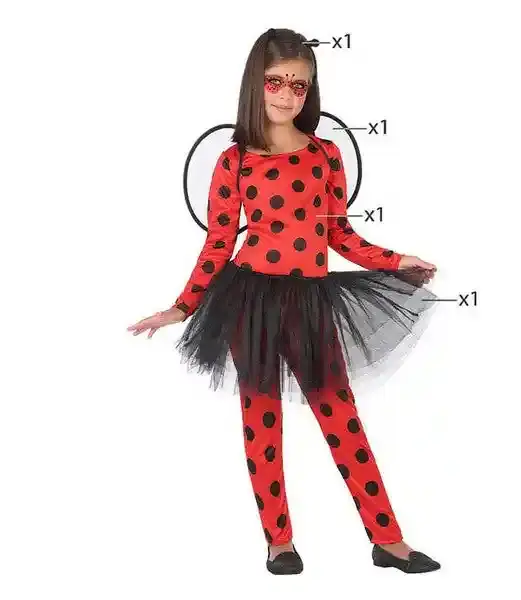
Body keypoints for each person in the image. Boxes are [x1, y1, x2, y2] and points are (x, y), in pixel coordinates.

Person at [127, 27, 440, 575]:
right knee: (261, 421)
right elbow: (218, 243)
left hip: (311, 302)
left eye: (300, 85)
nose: (288, 94)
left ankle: (388, 539)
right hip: (249, 301)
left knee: (341, 417)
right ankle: (279, 541)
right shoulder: (235, 161)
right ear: (256, 82)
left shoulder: (325, 155)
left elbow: (340, 235)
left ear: (310, 91)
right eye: (276, 81)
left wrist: (395, 260)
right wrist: (182, 306)